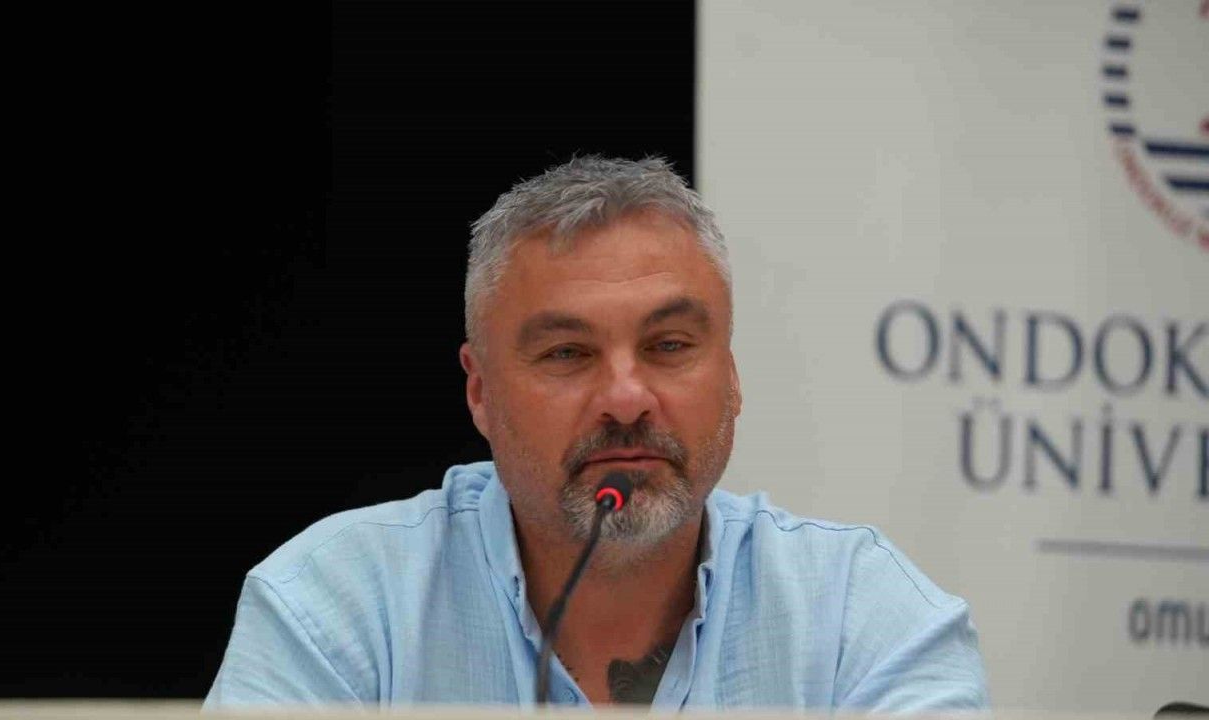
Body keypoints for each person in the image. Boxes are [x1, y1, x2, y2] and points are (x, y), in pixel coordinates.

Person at [204, 156, 990, 710]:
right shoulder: (336, 607)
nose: (625, 398)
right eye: (568, 354)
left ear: (732, 377)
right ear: (480, 392)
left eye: (669, 346)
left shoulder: (861, 616)